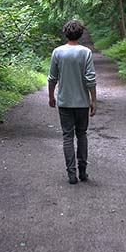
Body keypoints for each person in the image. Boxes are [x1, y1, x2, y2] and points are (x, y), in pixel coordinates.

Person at [47, 20, 97, 184]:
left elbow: (52, 78)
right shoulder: (86, 53)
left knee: (67, 136)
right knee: (81, 135)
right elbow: (90, 79)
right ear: (81, 34)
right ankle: (83, 172)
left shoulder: (57, 52)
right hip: (82, 103)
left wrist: (51, 96)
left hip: (65, 103)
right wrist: (93, 101)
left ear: (65, 33)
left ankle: (71, 174)